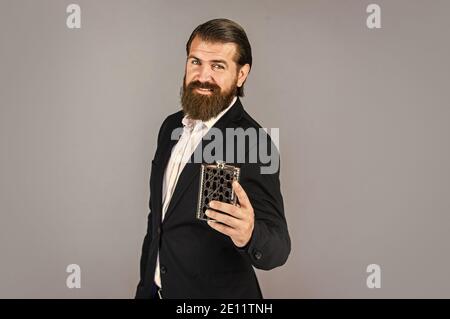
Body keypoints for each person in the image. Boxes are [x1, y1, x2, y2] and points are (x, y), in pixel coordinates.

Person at [135, 18, 290, 299]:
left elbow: (279, 246)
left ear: (241, 74)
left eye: (218, 66)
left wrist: (250, 234)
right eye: (195, 62)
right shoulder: (171, 127)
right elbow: (158, 221)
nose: (203, 76)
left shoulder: (256, 142)